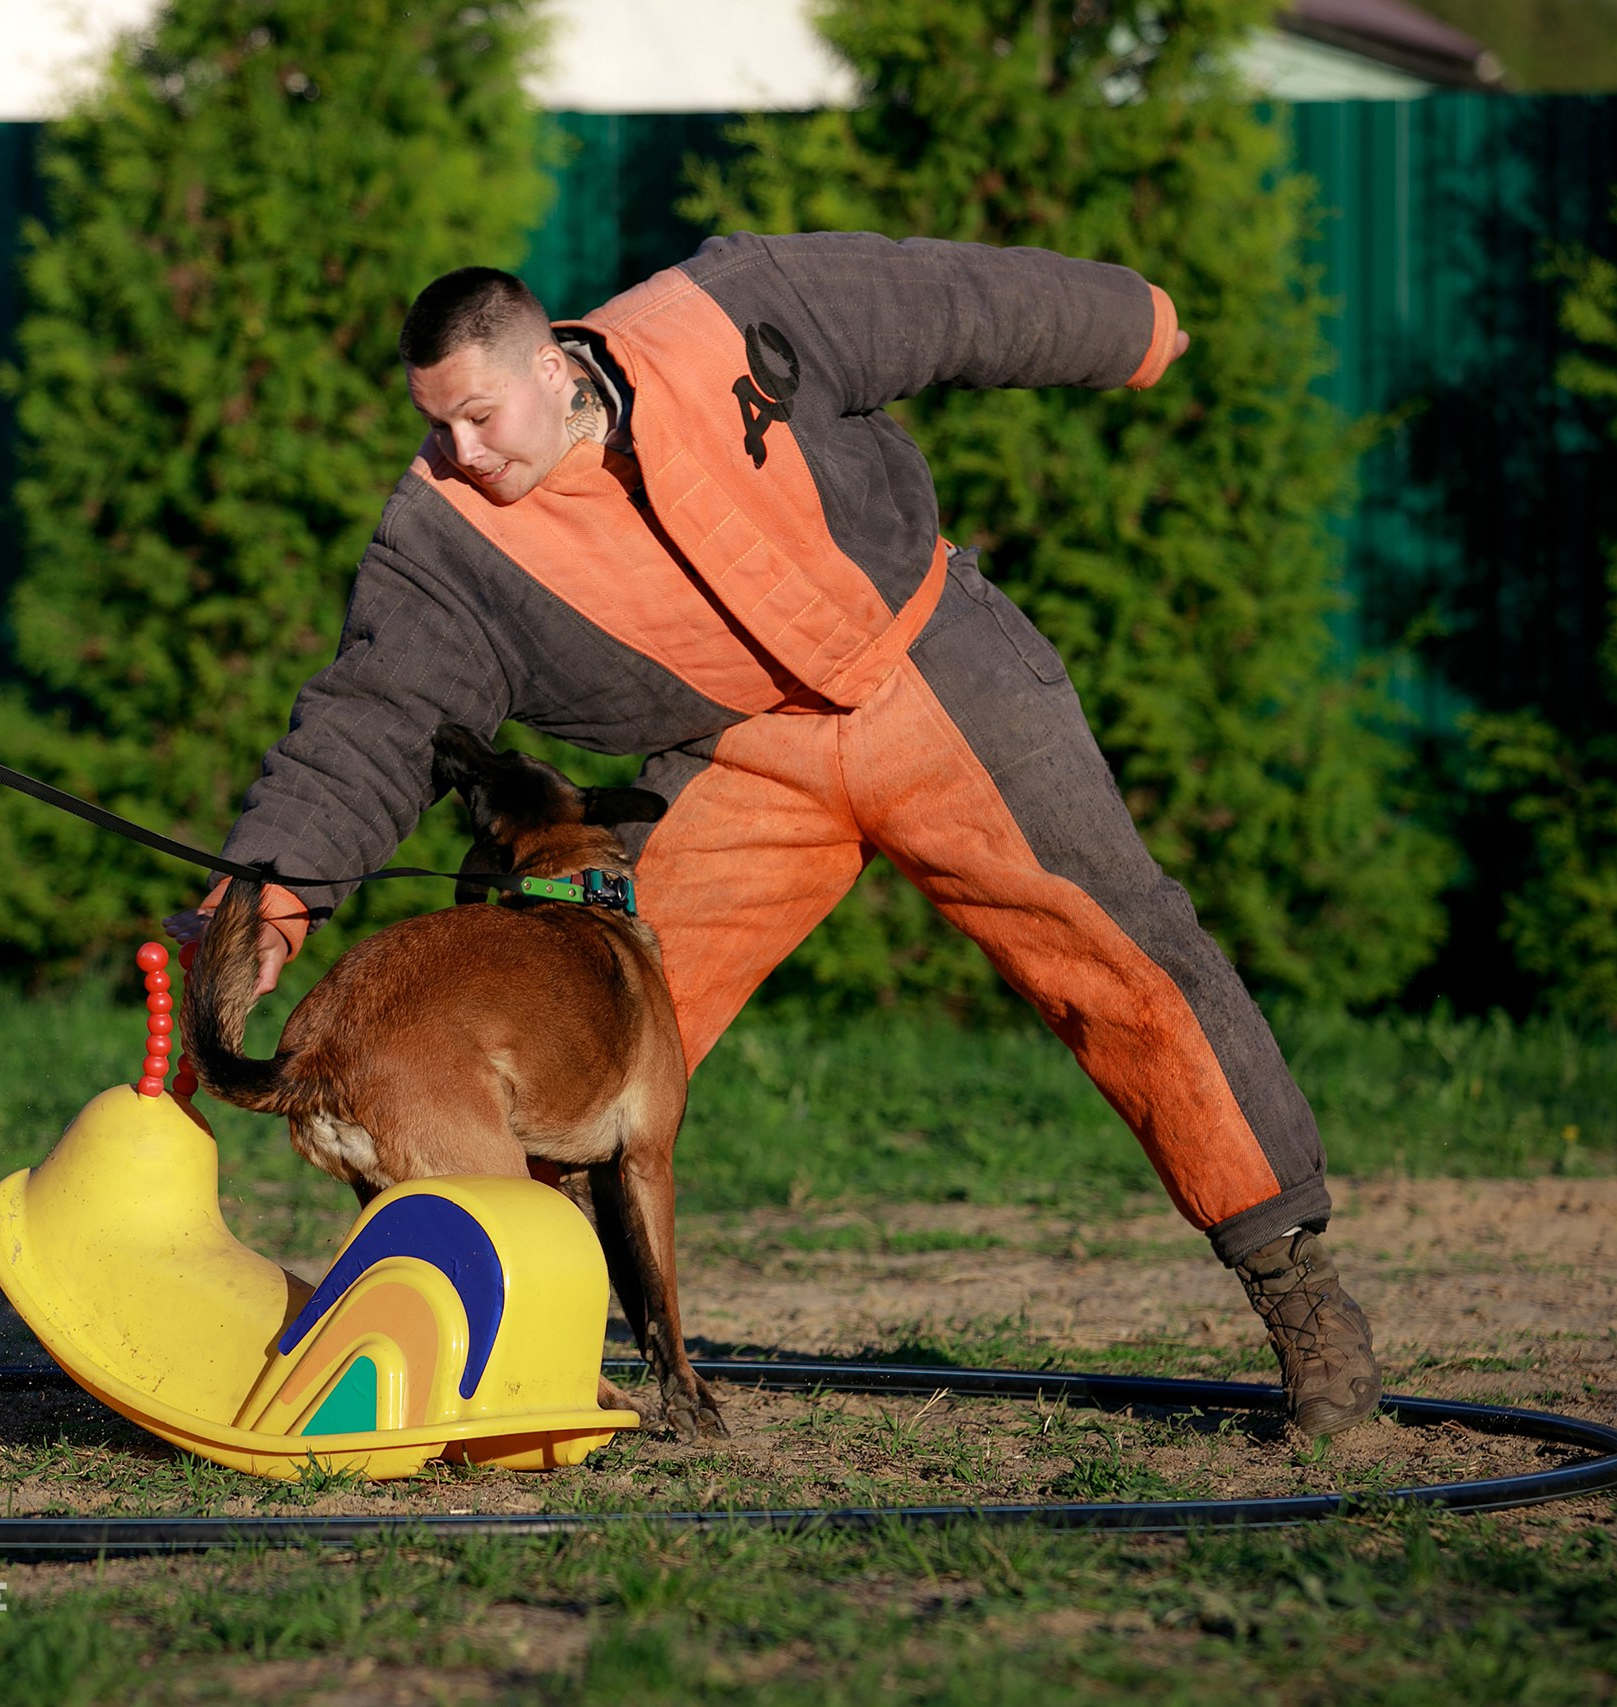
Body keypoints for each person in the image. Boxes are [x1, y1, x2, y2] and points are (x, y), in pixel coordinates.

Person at [174, 233, 1381, 1437]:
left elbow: (948, 301)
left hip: (939, 669)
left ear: (548, 366)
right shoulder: (443, 540)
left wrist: (1131, 322)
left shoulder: (726, 312)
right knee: (556, 1052)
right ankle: (475, 1370)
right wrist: (273, 900)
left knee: (1125, 965)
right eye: (438, 429)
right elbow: (371, 717)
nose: (459, 454)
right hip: (738, 760)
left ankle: (1305, 1311)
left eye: (479, 420)